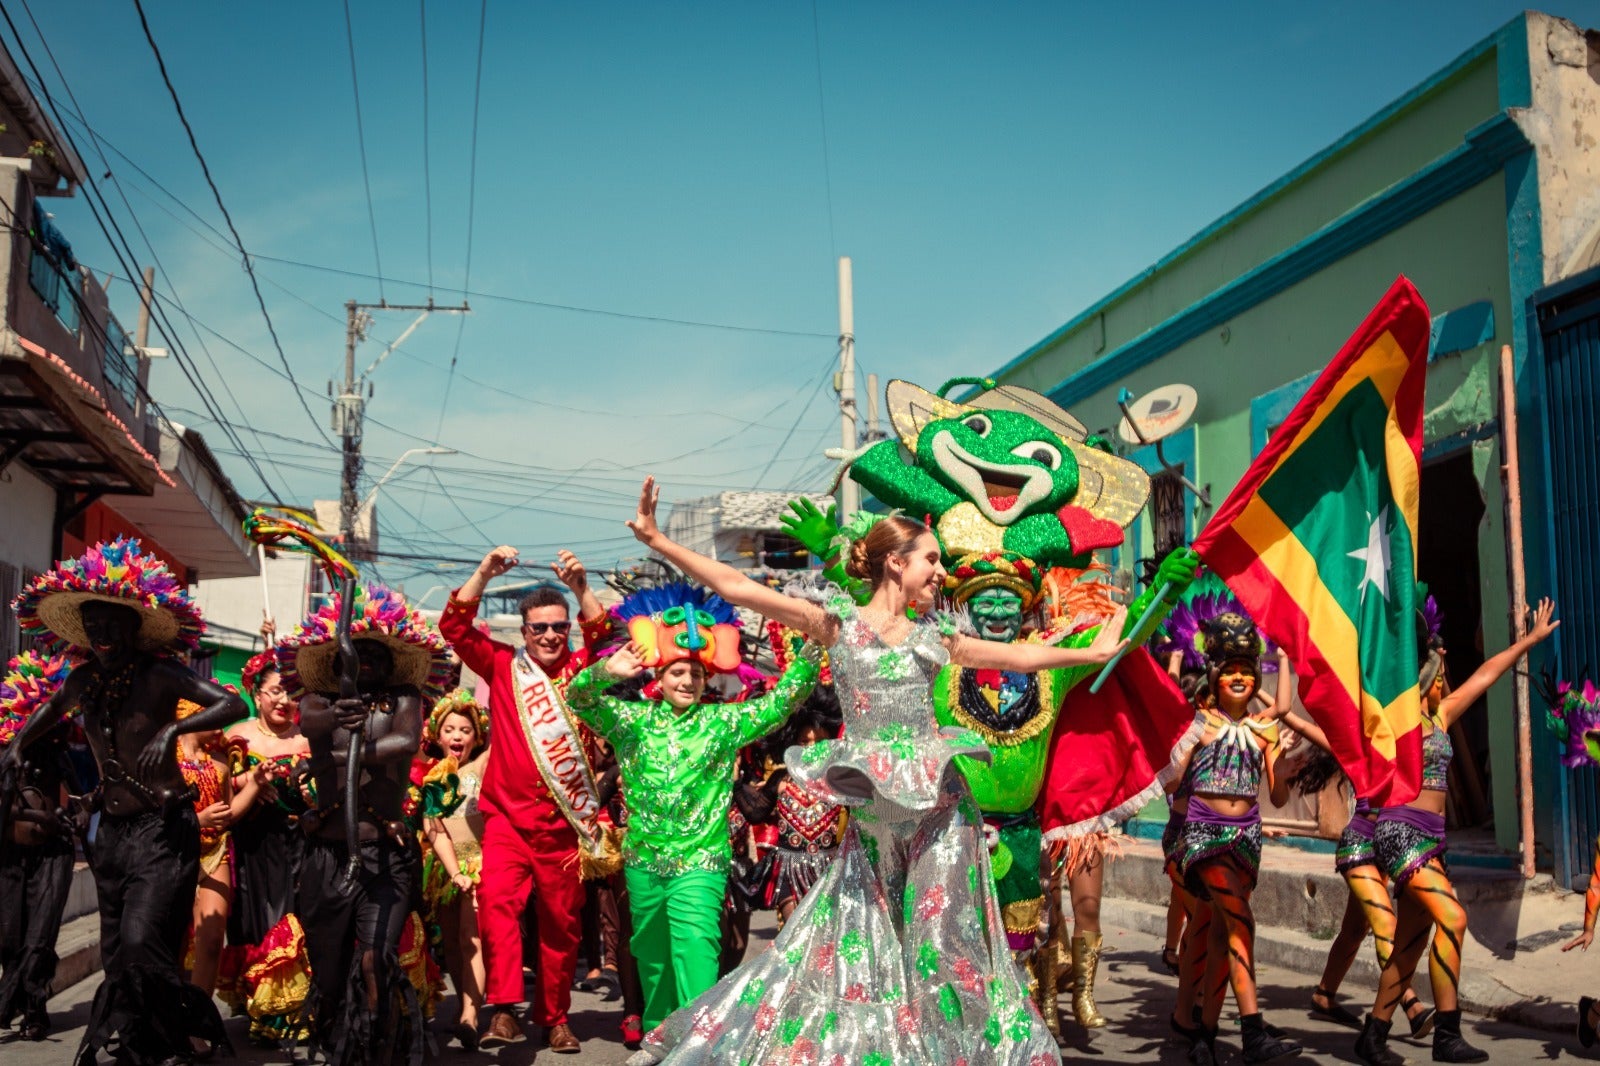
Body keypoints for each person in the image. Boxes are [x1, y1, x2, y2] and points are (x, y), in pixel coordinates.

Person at [624, 477, 1139, 1065]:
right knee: (856, 952)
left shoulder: (936, 637)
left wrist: (1090, 653)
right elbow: (739, 586)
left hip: (941, 814)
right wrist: (658, 540)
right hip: (874, 822)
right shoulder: (837, 625)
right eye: (932, 560)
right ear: (896, 563)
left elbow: (1019, 655)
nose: (941, 572)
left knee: (942, 947)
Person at [3, 537, 245, 1065]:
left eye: (112, 625)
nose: (102, 635)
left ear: (133, 629)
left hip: (163, 830)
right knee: (117, 954)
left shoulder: (161, 675)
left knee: (140, 939)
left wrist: (176, 727)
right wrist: (18, 744)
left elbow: (234, 704)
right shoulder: (83, 680)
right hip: (110, 838)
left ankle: (173, 1033)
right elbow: (50, 710)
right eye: (93, 626)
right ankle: (138, 1043)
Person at [567, 580, 820, 1033]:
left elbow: (781, 704)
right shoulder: (631, 721)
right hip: (644, 864)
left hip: (700, 865)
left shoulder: (723, 722)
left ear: (707, 679)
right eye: (678, 672)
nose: (687, 681)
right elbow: (578, 699)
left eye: (696, 674)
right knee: (654, 963)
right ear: (659, 678)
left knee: (697, 959)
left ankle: (699, 1046)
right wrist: (606, 671)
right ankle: (660, 1041)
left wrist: (814, 648)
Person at [1357, 597, 1558, 1065]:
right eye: (1433, 664)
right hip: (1401, 833)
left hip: (1434, 839)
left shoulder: (1441, 715)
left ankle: (1373, 1035)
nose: (1440, 671)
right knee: (1454, 918)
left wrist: (1529, 640)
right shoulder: (1390, 718)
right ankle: (1447, 1035)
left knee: (1410, 945)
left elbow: (1486, 674)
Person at [438, 546, 616, 1054]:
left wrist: (582, 588)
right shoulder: (503, 665)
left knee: (561, 927)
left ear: (568, 628)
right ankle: (504, 1009)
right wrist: (483, 573)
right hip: (506, 823)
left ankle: (555, 1017)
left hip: (563, 826)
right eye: (540, 628)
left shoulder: (583, 669)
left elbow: (607, 638)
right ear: (524, 631)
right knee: (497, 906)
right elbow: (454, 628)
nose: (550, 635)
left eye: (559, 626)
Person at [276, 583, 450, 1066]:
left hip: (384, 857)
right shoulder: (317, 700)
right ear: (336, 661)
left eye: (375, 655)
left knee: (376, 958)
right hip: (326, 858)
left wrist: (342, 757)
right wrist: (338, 713)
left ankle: (377, 1047)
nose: (364, 662)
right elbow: (310, 723)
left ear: (391, 663)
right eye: (355, 654)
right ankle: (337, 1042)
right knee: (329, 973)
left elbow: (406, 742)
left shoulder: (404, 699)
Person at [1166, 611, 1300, 1064]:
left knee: (1223, 935)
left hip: (1246, 841)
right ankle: (1253, 1032)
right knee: (1242, 922)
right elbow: (1172, 782)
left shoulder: (1265, 730)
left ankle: (1205, 1036)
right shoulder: (1199, 724)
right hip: (1204, 838)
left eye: (1247, 670)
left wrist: (1285, 768)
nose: (1240, 677)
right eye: (1231, 671)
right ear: (1215, 677)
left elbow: (1278, 797)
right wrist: (1175, 755)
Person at [217, 649, 313, 1045]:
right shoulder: (235, 736)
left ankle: (288, 1010)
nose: (283, 700)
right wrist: (250, 781)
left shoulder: (308, 737)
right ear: (257, 694)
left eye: (290, 692)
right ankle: (261, 1002)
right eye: (275, 691)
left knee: (293, 919)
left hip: (300, 844)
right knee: (254, 921)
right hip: (252, 845)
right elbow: (216, 782)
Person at [0, 651, 85, 1042]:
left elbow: (82, 796)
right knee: (10, 938)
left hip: (54, 855)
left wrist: (80, 813)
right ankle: (17, 1000)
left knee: (40, 939)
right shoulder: (8, 757)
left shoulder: (61, 757)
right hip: (10, 856)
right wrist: (42, 817)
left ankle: (31, 1009)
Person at [177, 698, 263, 1039]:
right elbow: (155, 814)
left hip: (215, 852)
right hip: (175, 854)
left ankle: (198, 1025)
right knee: (174, 942)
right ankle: (170, 1018)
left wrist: (255, 784)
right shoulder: (165, 759)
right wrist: (196, 820)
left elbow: (227, 813)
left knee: (212, 940)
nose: (222, 726)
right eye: (216, 716)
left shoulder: (221, 761)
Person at [417, 689, 490, 1050]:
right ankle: (465, 1006)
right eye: (449, 729)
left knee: (470, 939)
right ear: (437, 735)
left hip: (480, 863)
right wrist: (454, 872)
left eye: (465, 729)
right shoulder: (433, 779)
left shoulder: (484, 765)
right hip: (447, 869)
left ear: (477, 737)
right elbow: (435, 830)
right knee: (452, 945)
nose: (457, 736)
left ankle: (470, 1017)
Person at [746, 684, 845, 929]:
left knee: (822, 937)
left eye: (820, 742)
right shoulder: (781, 779)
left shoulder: (839, 781)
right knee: (795, 932)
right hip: (789, 871)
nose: (811, 749)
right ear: (792, 742)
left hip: (829, 871)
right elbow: (755, 813)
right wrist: (737, 783)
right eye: (804, 741)